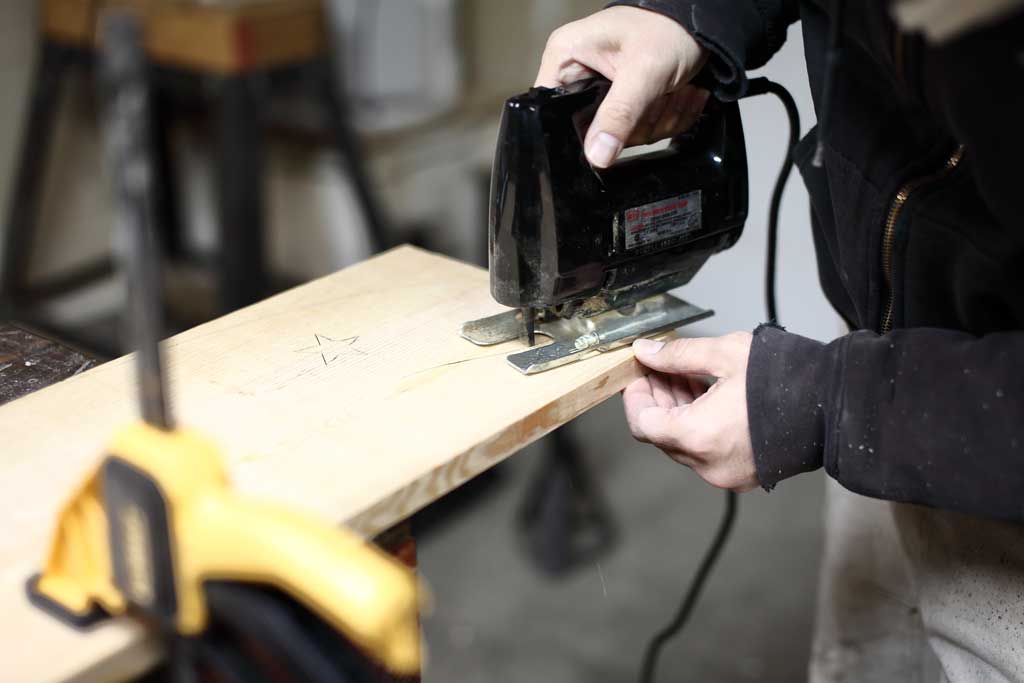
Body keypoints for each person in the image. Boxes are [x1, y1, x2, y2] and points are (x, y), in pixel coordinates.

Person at [534, 1, 1024, 680]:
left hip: (987, 445)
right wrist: (695, 15)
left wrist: (828, 405)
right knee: (870, 652)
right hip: (880, 364)